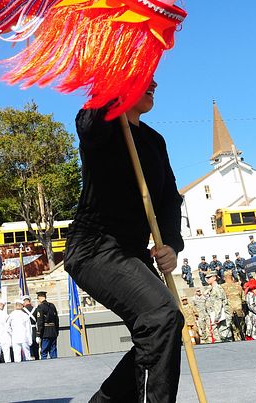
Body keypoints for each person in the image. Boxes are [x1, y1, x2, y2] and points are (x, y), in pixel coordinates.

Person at [64, 80, 186, 402]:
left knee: (165, 328)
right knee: (160, 317)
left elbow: (169, 200)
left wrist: (172, 244)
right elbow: (88, 126)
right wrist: (109, 82)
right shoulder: (102, 125)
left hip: (132, 252)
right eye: (144, 77)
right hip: (94, 248)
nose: (156, 83)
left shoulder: (154, 141)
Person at [205, 273, 232, 342]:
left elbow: (218, 304)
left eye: (209, 277)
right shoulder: (212, 289)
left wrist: (216, 318)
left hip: (221, 316)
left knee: (224, 337)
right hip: (217, 316)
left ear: (214, 278)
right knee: (218, 338)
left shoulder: (217, 288)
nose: (207, 279)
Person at [33, 291, 59, 359]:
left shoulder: (40, 307)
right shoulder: (52, 305)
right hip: (53, 332)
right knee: (53, 351)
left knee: (44, 352)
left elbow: (40, 321)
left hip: (45, 332)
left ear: (39, 298)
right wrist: (56, 331)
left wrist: (38, 334)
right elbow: (56, 320)